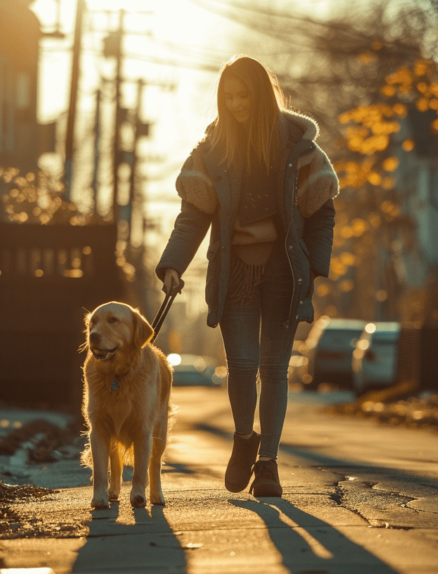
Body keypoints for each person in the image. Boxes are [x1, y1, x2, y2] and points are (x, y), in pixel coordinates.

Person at [156, 56, 338, 497]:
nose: (236, 104)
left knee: (274, 370)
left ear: (262, 95)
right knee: (241, 366)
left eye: (244, 96)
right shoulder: (212, 149)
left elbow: (322, 211)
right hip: (234, 271)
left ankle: (269, 464)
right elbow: (192, 215)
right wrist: (173, 265)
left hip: (284, 272)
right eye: (228, 97)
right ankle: (244, 440)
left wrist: (313, 268)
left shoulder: (298, 147)